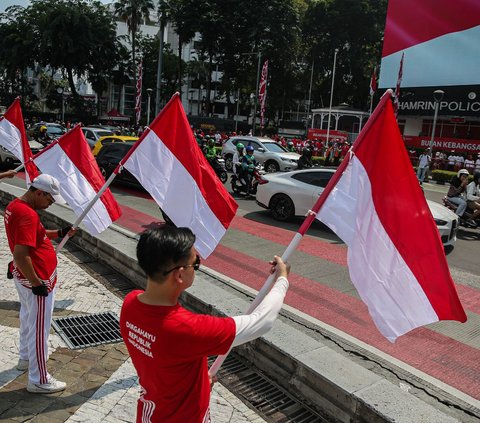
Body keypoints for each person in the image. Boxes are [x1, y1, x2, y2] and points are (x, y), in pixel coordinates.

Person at [120, 226, 290, 423]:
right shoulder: (187, 328)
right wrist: (282, 279)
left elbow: (162, 360)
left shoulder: (130, 303)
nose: (198, 267)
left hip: (150, 413)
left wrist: (199, 381)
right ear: (180, 274)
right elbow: (262, 321)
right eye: (196, 263)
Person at [4, 174, 75, 393]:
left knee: (28, 318)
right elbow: (21, 254)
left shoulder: (16, 206)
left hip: (27, 277)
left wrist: (60, 233)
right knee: (39, 330)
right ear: (38, 193)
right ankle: (39, 379)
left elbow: (39, 236)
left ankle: (25, 359)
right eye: (49, 200)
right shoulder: (28, 215)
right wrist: (37, 284)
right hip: (37, 279)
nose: (49, 205)